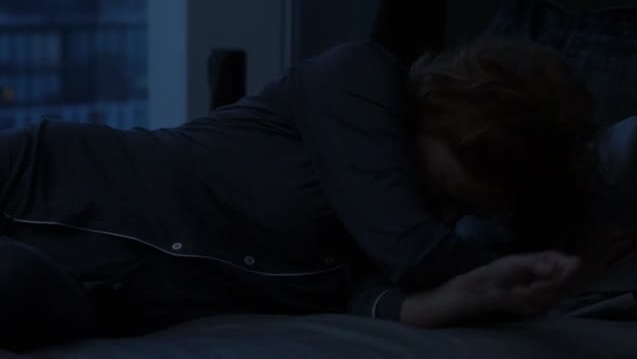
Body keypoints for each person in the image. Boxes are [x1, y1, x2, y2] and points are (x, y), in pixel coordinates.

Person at [0, 36, 599, 351]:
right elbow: (411, 249)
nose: (448, 215)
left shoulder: (383, 248)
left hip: (72, 287)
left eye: (464, 211)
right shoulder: (359, 79)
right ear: (452, 118)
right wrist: (499, 266)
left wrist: (475, 295)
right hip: (38, 173)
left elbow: (374, 302)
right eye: (449, 187)